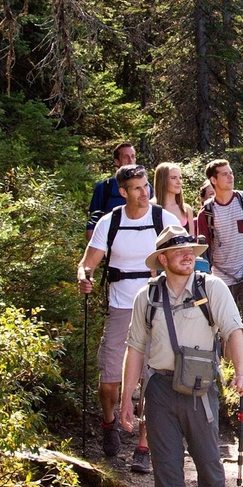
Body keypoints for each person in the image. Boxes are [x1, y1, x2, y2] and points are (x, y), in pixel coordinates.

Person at [119, 227, 243, 487]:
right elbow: (135, 348)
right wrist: (127, 399)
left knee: (209, 462)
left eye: (190, 249)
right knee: (165, 467)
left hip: (201, 387)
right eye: (178, 250)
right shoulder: (146, 297)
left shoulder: (212, 288)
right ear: (162, 259)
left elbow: (234, 332)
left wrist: (242, 372)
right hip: (160, 388)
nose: (187, 255)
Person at [76, 165, 164, 463]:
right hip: (120, 307)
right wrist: (84, 277)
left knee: (152, 380)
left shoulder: (162, 218)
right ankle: (109, 421)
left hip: (158, 308)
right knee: (109, 379)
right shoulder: (110, 222)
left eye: (146, 185)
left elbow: (186, 254)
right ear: (123, 192)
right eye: (137, 188)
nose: (145, 192)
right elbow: (87, 262)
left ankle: (143, 446)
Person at [195, 159, 243, 356]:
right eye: (225, 174)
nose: (231, 177)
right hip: (221, 274)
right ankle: (229, 363)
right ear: (213, 180)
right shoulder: (206, 213)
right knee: (225, 320)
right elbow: (203, 249)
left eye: (231, 172)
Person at [86, 142, 137, 236]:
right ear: (117, 162)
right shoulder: (104, 188)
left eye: (133, 156)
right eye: (126, 157)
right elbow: (91, 226)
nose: (130, 160)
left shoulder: (146, 188)